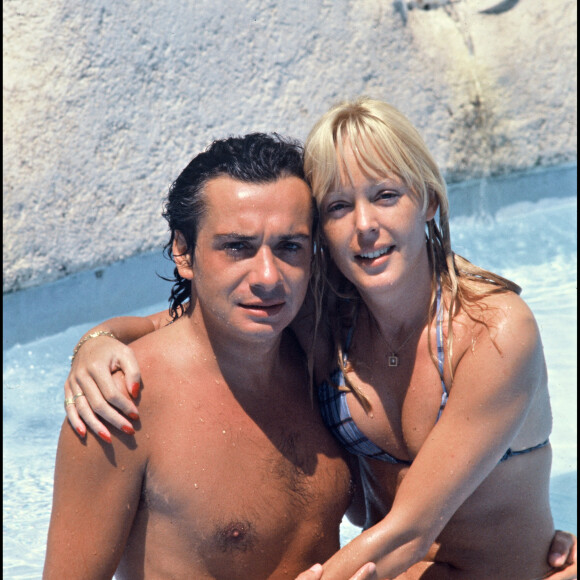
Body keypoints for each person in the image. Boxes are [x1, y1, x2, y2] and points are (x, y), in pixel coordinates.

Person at [61, 101, 578, 579]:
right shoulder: (321, 316)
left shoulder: (486, 331)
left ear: (428, 200)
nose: (365, 225)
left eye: (385, 196)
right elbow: (189, 317)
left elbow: (411, 529)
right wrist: (98, 340)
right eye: (337, 207)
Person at [44, 133, 377, 580]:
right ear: (184, 251)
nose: (267, 276)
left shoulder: (321, 359)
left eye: (289, 246)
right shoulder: (120, 403)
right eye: (237, 246)